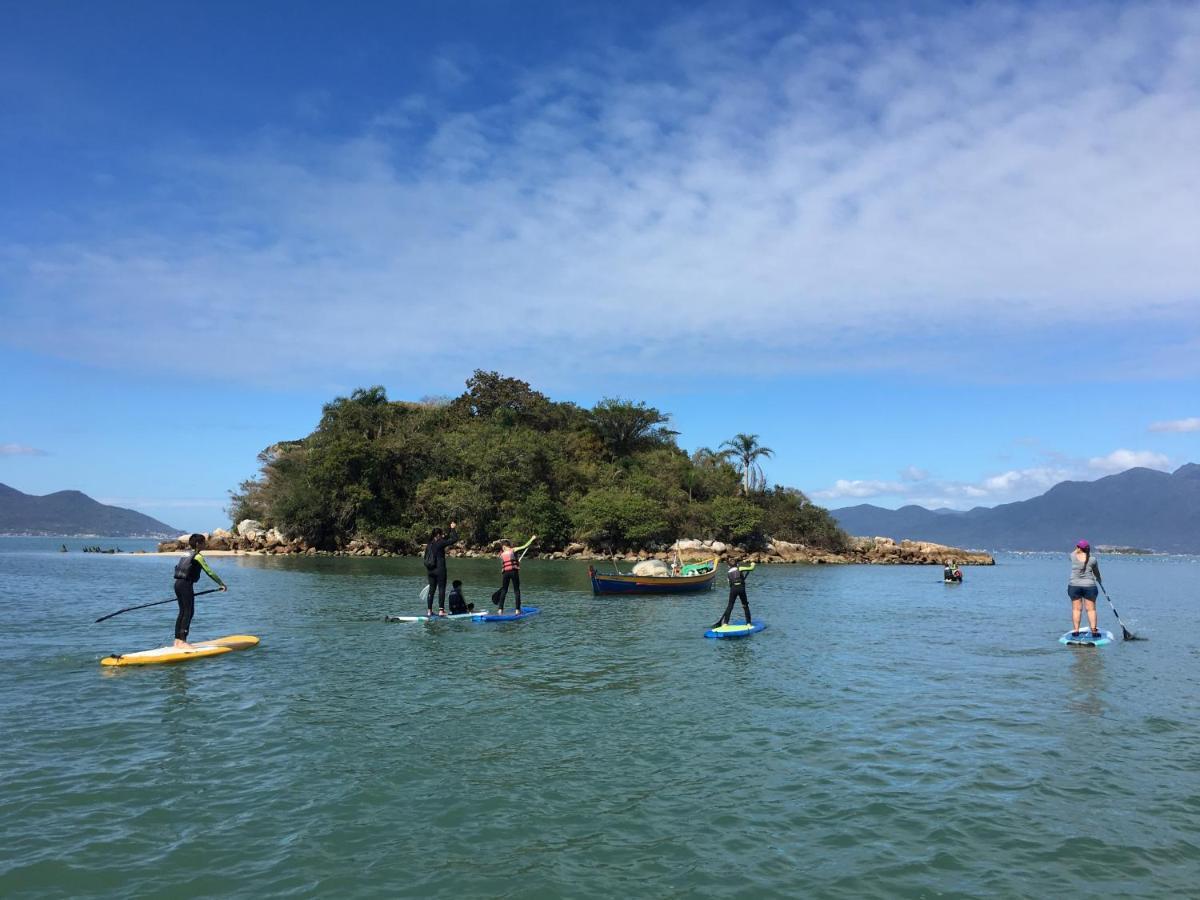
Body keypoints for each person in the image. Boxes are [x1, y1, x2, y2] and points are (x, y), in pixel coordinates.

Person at [172, 533, 227, 648]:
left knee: (182, 611)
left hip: (178, 584)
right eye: (203, 542)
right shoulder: (198, 556)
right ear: (198, 544)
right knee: (188, 612)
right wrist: (221, 583)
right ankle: (182, 641)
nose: (205, 544)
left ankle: (177, 641)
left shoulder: (186, 554)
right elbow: (209, 572)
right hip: (186, 585)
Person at [423, 522, 459, 617]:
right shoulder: (440, 543)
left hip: (430, 570)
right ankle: (441, 611)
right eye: (441, 534)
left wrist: (448, 531)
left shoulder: (429, 544)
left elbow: (445, 538)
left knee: (432, 590)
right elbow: (454, 539)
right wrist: (453, 528)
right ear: (438, 535)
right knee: (441, 589)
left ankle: (429, 611)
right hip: (440, 569)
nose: (442, 536)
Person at [1068, 539, 1102, 637]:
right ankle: (1094, 631)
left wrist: (1078, 548)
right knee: (1091, 610)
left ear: (1078, 548)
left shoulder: (1073, 556)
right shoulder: (1093, 559)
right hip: (1089, 586)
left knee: (1076, 609)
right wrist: (1099, 579)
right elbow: (1096, 573)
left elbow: (1074, 552)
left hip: (1074, 586)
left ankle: (1076, 631)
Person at [495, 534, 536, 614]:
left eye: (502, 546)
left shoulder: (501, 555)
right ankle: (517, 610)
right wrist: (532, 539)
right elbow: (525, 546)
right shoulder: (513, 550)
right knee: (516, 591)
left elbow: (505, 564)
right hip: (513, 572)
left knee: (504, 590)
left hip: (505, 573)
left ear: (504, 546)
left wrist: (516, 562)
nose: (502, 548)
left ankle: (500, 609)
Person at [712, 558, 756, 629]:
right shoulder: (740, 568)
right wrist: (753, 564)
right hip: (741, 589)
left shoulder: (728, 573)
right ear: (737, 564)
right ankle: (748, 623)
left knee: (730, 606)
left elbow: (730, 584)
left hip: (733, 590)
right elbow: (751, 568)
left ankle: (725, 623)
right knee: (745, 606)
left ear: (729, 566)